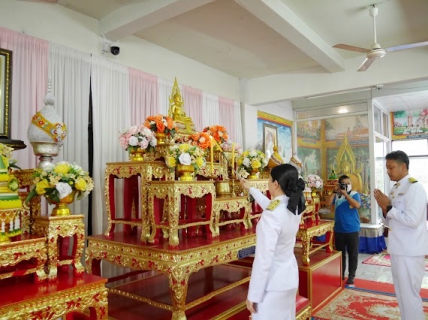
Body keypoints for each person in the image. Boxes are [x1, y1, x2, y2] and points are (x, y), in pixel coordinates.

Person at [239, 163, 306, 319]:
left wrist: (253, 295)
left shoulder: (273, 214)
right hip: (288, 279)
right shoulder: (294, 207)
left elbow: (264, 259)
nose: (268, 185)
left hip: (272, 286)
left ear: (275, 184)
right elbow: (271, 205)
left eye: (268, 181)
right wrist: (251, 188)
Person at [373, 150, 428, 320]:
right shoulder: (396, 188)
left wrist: (389, 208)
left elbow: (412, 220)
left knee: (409, 295)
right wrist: (384, 209)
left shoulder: (415, 188)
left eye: (391, 168)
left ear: (403, 166)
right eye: (387, 168)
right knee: (402, 294)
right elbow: (392, 220)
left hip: (410, 250)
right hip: (398, 248)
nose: (388, 171)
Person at [326, 174, 361, 285]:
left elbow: (357, 205)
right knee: (340, 254)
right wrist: (335, 191)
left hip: (352, 229)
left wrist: (346, 195)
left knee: (353, 254)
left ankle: (351, 276)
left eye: (348, 183)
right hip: (339, 229)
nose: (346, 185)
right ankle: (340, 274)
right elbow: (327, 204)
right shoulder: (337, 195)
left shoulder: (355, 194)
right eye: (344, 184)